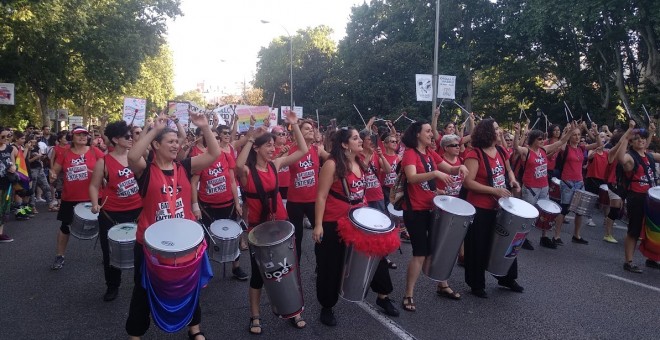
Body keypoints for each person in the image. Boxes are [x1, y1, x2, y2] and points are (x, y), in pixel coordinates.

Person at [125, 111, 218, 340]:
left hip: (184, 243)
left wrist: (205, 127)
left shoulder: (184, 167)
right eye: (171, 141)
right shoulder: (146, 170)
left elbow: (214, 154)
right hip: (150, 245)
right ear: (156, 145)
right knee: (143, 288)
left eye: (178, 141)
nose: (176, 145)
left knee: (190, 286)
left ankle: (194, 328)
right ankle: (135, 333)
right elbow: (132, 155)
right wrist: (154, 129)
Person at [236, 111, 308, 334]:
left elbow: (303, 150)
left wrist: (294, 125)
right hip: (258, 231)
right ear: (257, 148)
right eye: (266, 145)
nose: (271, 148)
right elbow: (238, 164)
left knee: (288, 269)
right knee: (259, 275)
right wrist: (250, 138)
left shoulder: (276, 164)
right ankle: (255, 316)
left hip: (281, 226)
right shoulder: (247, 172)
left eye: (272, 145)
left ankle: (293, 310)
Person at [397, 121, 467, 311]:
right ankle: (408, 294)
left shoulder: (430, 153)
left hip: (432, 208)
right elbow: (412, 178)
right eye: (427, 131)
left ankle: (442, 285)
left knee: (440, 247)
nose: (431, 134)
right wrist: (434, 172)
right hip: (415, 211)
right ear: (417, 135)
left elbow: (450, 169)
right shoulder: (410, 154)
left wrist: (460, 168)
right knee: (420, 253)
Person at [463, 118, 522, 298]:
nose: (500, 131)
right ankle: (476, 284)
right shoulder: (474, 154)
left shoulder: (501, 150)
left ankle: (506, 277)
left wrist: (512, 180)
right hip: (480, 208)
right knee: (478, 246)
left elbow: (508, 170)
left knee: (505, 242)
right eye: (496, 129)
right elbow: (468, 183)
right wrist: (494, 190)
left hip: (500, 206)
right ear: (488, 132)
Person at [89, 121, 143, 302]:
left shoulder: (135, 158)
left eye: (131, 136)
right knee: (110, 252)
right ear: (115, 139)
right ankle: (112, 286)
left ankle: (141, 283)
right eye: (127, 137)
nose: (131, 139)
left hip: (137, 211)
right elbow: (94, 186)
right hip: (111, 214)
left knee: (141, 250)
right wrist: (94, 203)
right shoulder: (103, 161)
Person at [190, 128, 248, 281]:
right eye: (212, 138)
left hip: (227, 203)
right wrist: (195, 206)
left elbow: (232, 181)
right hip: (207, 206)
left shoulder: (227, 156)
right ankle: (204, 270)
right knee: (205, 239)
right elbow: (194, 182)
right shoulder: (200, 158)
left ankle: (236, 267)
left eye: (217, 138)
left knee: (234, 236)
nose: (215, 140)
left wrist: (238, 203)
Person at [48, 127, 104, 269]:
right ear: (72, 137)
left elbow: (106, 168)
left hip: (95, 196)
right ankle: (59, 256)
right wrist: (52, 175)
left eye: (84, 134)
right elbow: (55, 170)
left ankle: (107, 255)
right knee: (65, 226)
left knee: (104, 226)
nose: (82, 137)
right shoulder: (65, 152)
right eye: (78, 135)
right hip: (70, 196)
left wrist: (101, 175)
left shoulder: (94, 151)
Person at [512, 123, 570, 249]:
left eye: (543, 138)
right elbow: (516, 147)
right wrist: (517, 134)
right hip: (530, 188)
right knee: (528, 215)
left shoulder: (544, 150)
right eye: (540, 139)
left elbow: (561, 142)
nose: (543, 140)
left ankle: (544, 237)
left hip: (544, 187)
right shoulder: (526, 151)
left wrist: (571, 131)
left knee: (546, 213)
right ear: (533, 140)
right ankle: (523, 238)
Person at [614, 121, 660, 273]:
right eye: (637, 139)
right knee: (634, 230)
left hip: (651, 198)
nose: (641, 140)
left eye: (643, 138)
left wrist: (651, 132)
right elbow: (620, 158)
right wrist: (627, 135)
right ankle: (629, 262)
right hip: (637, 197)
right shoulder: (630, 157)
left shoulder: (649, 156)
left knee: (653, 229)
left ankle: (652, 258)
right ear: (631, 142)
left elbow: (647, 142)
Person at [286, 119, 330, 262]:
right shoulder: (290, 150)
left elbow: (334, 159)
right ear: (297, 132)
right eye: (306, 128)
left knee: (322, 234)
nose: (311, 130)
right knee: (296, 237)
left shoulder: (317, 149)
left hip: (314, 201)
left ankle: (321, 264)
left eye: (312, 128)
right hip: (295, 202)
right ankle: (295, 269)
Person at [552, 122, 601, 246]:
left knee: (579, 211)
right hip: (567, 182)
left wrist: (596, 132)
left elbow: (599, 144)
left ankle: (576, 235)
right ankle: (556, 236)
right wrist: (568, 131)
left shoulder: (582, 148)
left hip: (579, 182)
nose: (577, 137)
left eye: (579, 135)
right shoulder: (566, 148)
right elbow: (561, 143)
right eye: (574, 135)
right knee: (564, 209)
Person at [0, 128, 17, 242]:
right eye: (3, 136)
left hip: (7, 181)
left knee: (4, 207)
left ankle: (0, 233)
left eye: (8, 136)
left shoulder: (9, 148)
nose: (6, 138)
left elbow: (13, 163)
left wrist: (13, 168)